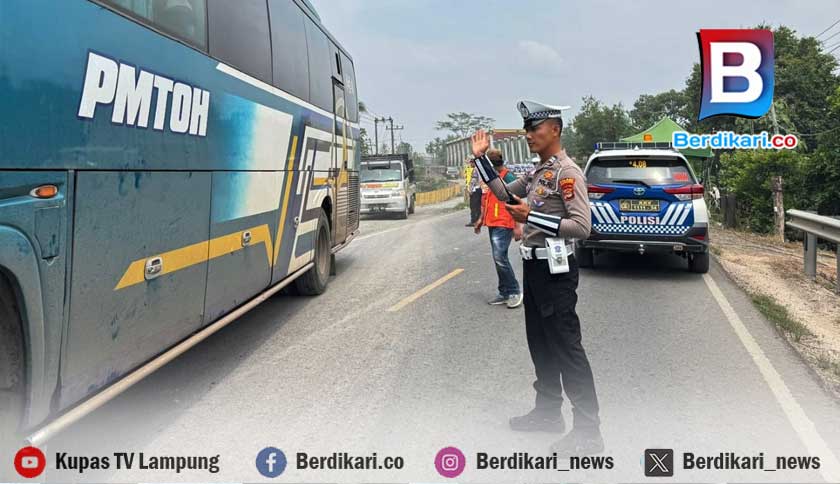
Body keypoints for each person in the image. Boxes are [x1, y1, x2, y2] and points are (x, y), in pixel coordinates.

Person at [469, 100, 603, 454]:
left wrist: (532, 217)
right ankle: (547, 413)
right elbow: (503, 193)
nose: (528, 135)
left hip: (556, 272)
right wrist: (481, 160)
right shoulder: (540, 171)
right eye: (526, 129)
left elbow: (582, 227)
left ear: (555, 130)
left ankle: (589, 431)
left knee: (566, 347)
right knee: (540, 345)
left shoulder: (567, 173)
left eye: (534, 129)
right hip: (534, 267)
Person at [473, 149, 523, 309]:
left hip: (504, 222)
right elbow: (487, 200)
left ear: (492, 164)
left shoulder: (508, 177)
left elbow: (516, 202)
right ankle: (504, 292)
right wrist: (481, 219)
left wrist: (517, 226)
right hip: (493, 222)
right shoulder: (493, 179)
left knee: (500, 257)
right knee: (498, 258)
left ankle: (514, 291)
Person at [466, 159, 482, 227]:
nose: (470, 164)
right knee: (478, 206)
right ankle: (479, 220)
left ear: (473, 162)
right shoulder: (480, 169)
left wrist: (470, 190)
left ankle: (473, 221)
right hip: (480, 189)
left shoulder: (475, 169)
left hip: (475, 190)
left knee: (473, 206)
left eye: (471, 163)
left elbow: (473, 180)